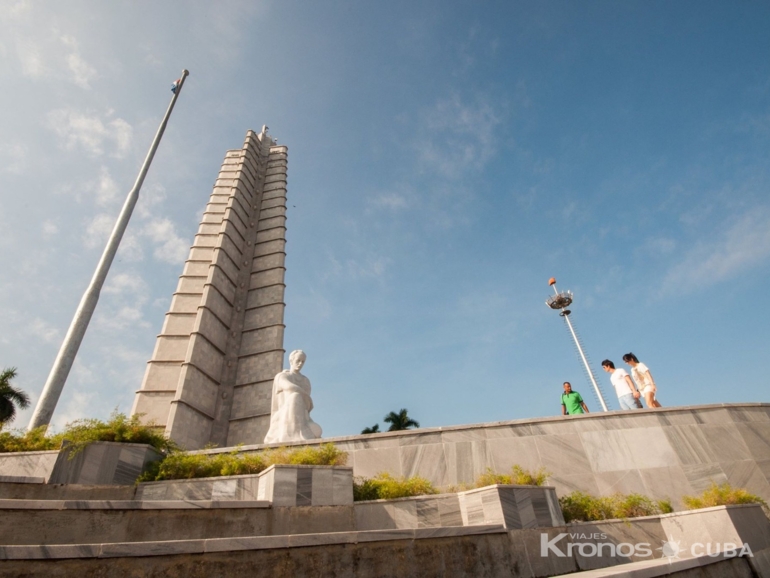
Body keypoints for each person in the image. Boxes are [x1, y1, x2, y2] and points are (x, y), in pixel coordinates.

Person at [263, 350, 323, 444]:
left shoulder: (305, 380)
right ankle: (290, 435)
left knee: (318, 431)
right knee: (295, 396)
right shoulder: (282, 376)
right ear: (291, 361)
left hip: (302, 416)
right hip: (284, 413)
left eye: (303, 361)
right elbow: (289, 387)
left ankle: (302, 432)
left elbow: (307, 403)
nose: (300, 364)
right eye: (298, 360)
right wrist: (302, 393)